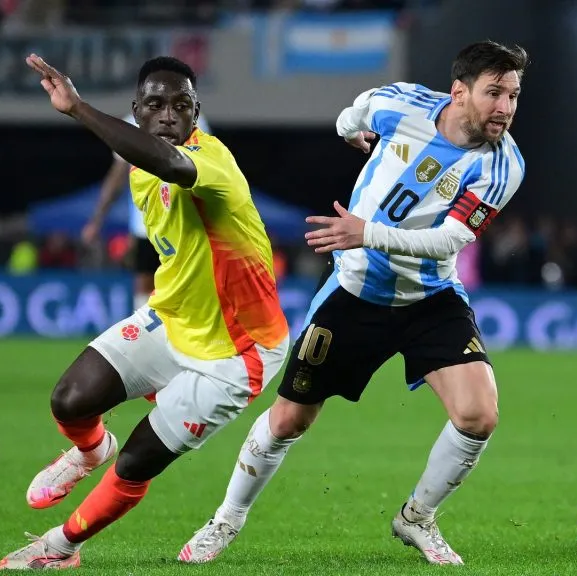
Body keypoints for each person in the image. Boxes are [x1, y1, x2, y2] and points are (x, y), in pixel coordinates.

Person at [179, 40, 528, 566]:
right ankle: (226, 520)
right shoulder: (404, 103)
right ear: (459, 91)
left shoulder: (503, 166)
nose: (505, 107)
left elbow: (449, 241)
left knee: (479, 415)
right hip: (356, 291)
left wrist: (368, 232)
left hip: (430, 297)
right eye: (494, 93)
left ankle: (417, 518)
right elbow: (357, 109)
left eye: (513, 96)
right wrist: (350, 130)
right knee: (289, 420)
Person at [0, 53, 290, 570]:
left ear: (197, 111)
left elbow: (172, 164)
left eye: (182, 105)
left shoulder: (211, 160)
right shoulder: (139, 175)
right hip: (172, 318)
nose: (169, 115)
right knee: (70, 400)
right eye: (155, 105)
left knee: (136, 461)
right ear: (136, 110)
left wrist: (79, 108)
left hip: (237, 351)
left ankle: (60, 548)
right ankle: (90, 451)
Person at [81, 112, 212, 312]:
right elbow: (117, 178)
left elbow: (204, 169)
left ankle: (185, 328)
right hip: (146, 225)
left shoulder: (193, 120)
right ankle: (146, 330)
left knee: (185, 284)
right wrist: (97, 219)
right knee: (145, 283)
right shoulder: (131, 124)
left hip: (184, 223)